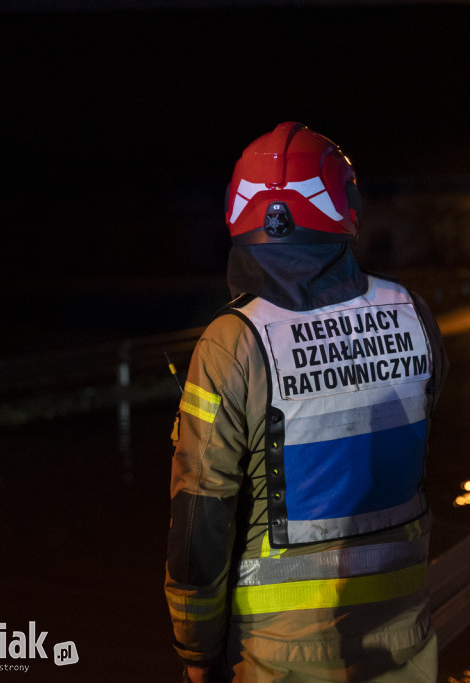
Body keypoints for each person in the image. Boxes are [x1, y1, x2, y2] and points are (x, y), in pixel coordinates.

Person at [164, 122, 449, 682]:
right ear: (345, 206)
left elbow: (201, 513)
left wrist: (195, 649)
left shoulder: (232, 342)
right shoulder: (412, 313)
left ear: (238, 213)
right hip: (405, 646)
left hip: (280, 657)